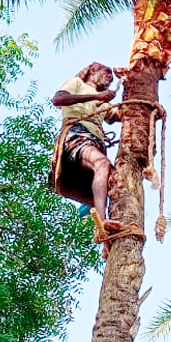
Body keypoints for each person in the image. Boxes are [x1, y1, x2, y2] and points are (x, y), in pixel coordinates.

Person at [50, 62, 123, 241]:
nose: (109, 78)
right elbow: (58, 100)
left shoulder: (103, 103)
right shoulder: (77, 83)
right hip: (76, 135)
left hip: (95, 142)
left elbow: (121, 114)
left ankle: (98, 210)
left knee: (116, 180)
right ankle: (101, 221)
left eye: (111, 78)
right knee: (101, 163)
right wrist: (96, 96)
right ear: (92, 71)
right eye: (106, 73)